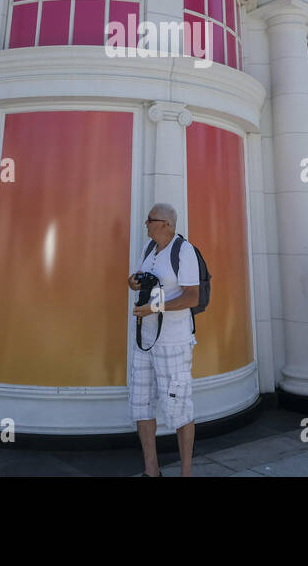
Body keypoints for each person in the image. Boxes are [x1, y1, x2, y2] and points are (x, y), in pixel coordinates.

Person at [128, 202, 200, 477]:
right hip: (146, 340)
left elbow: (192, 296)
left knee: (179, 406)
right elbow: (137, 279)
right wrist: (134, 282)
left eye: (150, 219)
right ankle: (151, 471)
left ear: (167, 224)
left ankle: (186, 473)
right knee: (141, 403)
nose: (145, 223)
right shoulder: (149, 250)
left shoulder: (184, 251)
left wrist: (154, 308)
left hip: (174, 342)